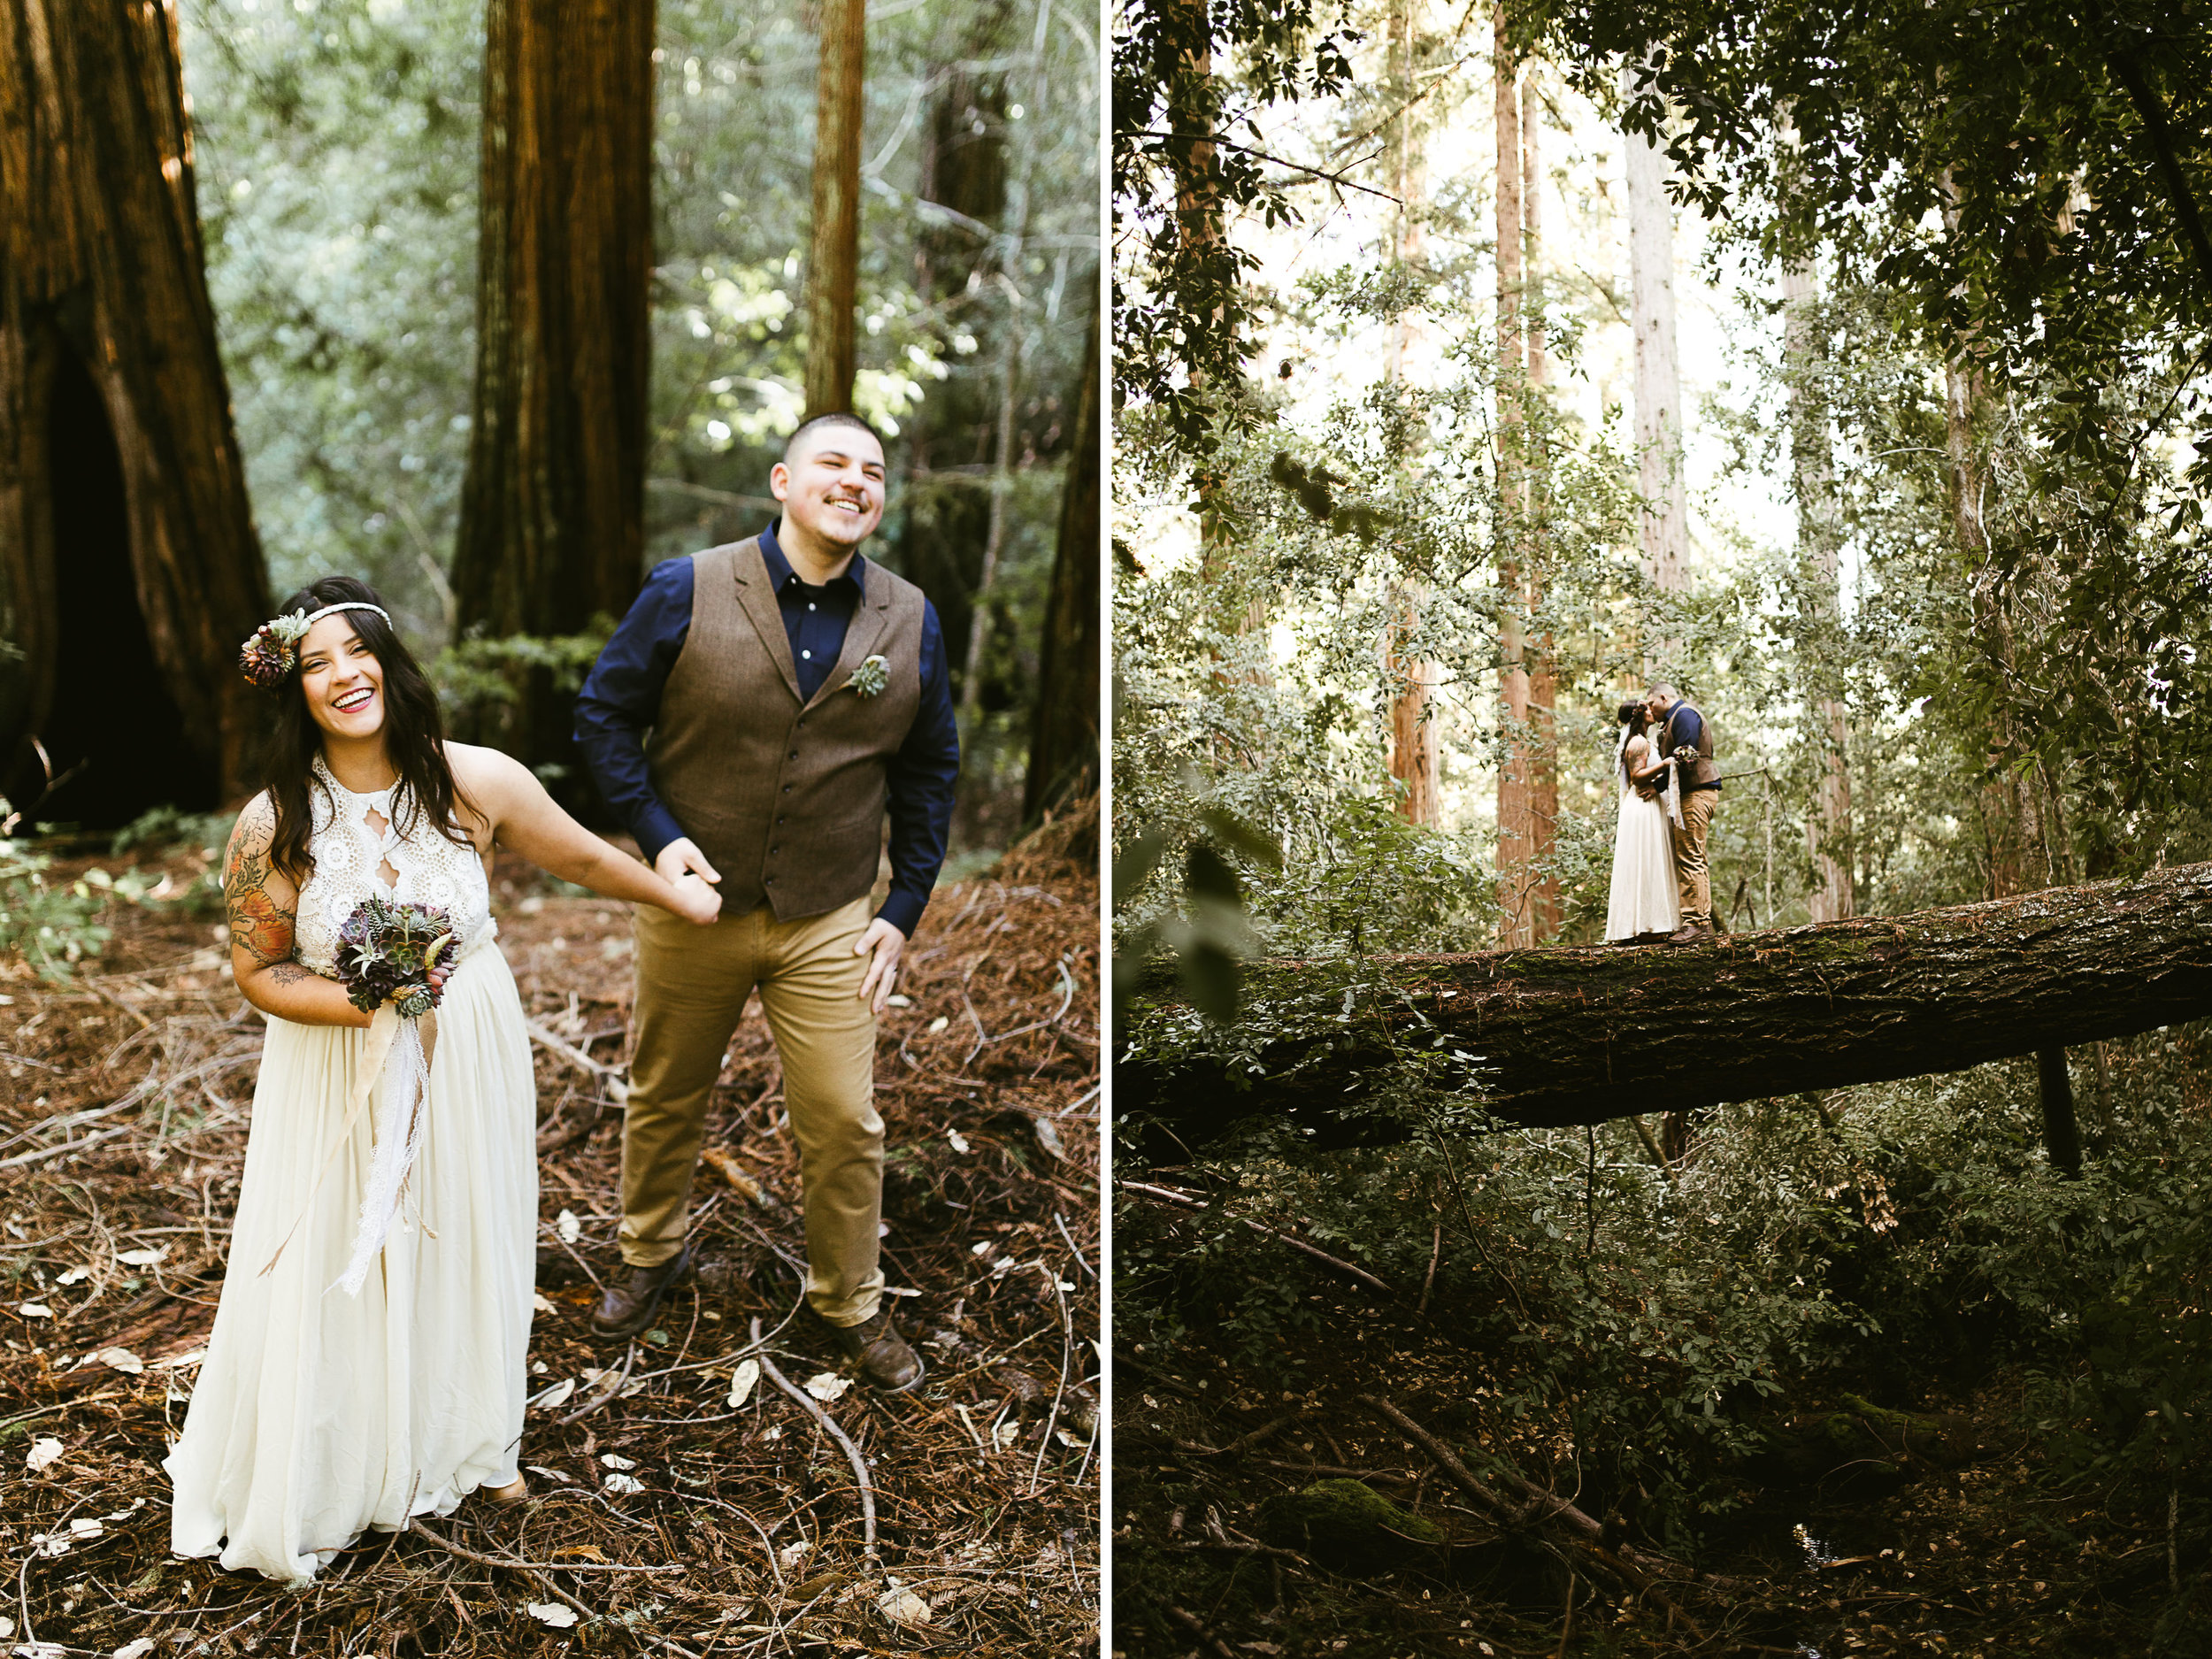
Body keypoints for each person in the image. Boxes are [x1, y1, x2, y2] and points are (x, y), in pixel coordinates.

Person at [166, 578, 720, 1584]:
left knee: (467, 1229)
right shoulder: (272, 823)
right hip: (336, 1064)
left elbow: (584, 860)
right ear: (292, 691)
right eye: (314, 664)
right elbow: (259, 970)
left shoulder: (475, 781)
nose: (341, 676)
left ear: (388, 659)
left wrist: (671, 892)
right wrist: (372, 1005)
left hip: (468, 1047)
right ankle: (341, 1460)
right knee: (345, 1247)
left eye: (354, 652)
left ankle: (471, 1442)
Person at [572, 411, 960, 1391]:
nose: (855, 482)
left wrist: (902, 904)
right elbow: (603, 716)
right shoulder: (686, 587)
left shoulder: (909, 617)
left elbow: (930, 769)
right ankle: (649, 1255)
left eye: (873, 471)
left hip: (828, 913)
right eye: (834, 463)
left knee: (844, 1118)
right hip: (691, 907)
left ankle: (849, 1304)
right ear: (783, 481)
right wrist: (659, 840)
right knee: (664, 1094)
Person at [1644, 682, 1722, 942]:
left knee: (1690, 856)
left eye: (1651, 703)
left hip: (1697, 793)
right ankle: (1699, 921)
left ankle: (1697, 924)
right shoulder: (1672, 720)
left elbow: (1686, 758)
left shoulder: (1685, 715)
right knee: (1690, 854)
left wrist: (1657, 784)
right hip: (1688, 794)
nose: (1649, 709)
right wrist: (1658, 788)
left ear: (1663, 697)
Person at [1604, 701, 1681, 942]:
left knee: (1649, 863)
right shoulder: (1638, 742)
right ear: (1639, 716)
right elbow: (1637, 778)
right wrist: (1666, 763)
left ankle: (1650, 923)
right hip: (1642, 808)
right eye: (1646, 709)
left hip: (1647, 805)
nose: (1651, 710)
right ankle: (1644, 926)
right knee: (1646, 862)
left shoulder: (1643, 740)